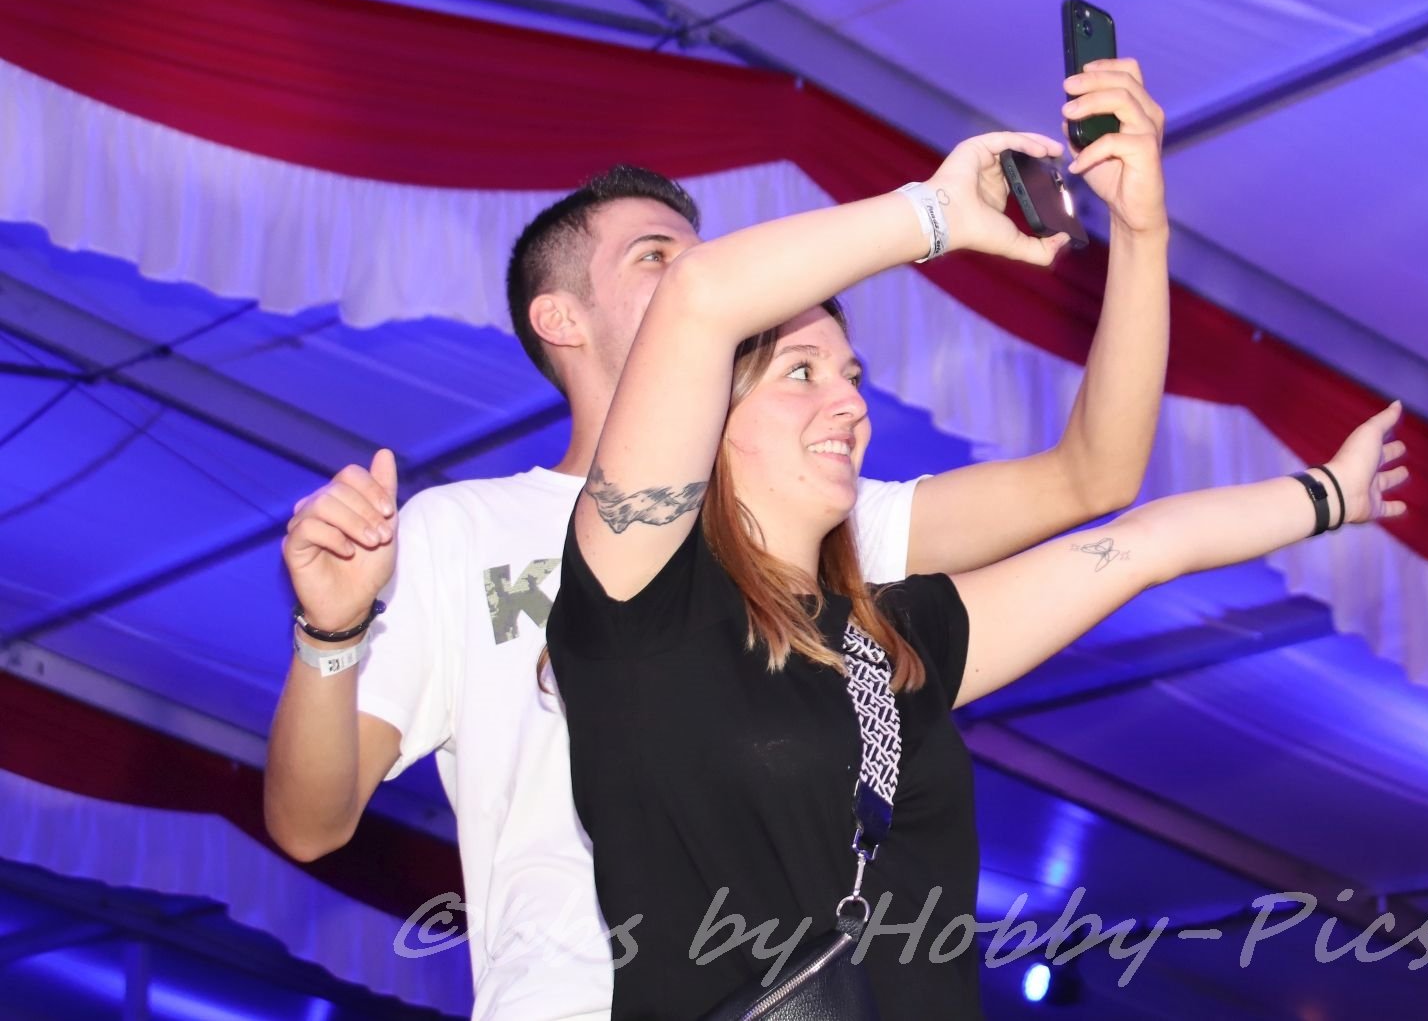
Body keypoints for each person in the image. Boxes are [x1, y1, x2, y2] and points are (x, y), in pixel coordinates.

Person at [264, 61, 1174, 1020]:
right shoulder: (463, 528)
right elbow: (310, 822)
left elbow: (1093, 477)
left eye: (708, 257)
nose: (711, 276)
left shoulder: (813, 520)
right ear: (560, 317)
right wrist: (330, 635)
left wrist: (1143, 230)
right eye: (655, 257)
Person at [546, 129, 1409, 1018]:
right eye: (801, 373)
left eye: (852, 375)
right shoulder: (636, 600)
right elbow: (698, 294)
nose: (849, 402)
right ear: (708, 423)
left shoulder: (900, 638)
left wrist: (1327, 494)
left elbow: (1141, 543)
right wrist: (935, 213)